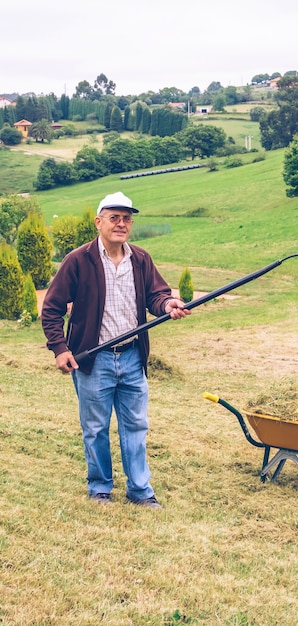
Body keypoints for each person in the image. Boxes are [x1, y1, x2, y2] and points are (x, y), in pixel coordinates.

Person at [42, 191, 191, 508]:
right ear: (99, 222)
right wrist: (59, 348)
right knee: (95, 428)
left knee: (136, 426)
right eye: (114, 217)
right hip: (93, 360)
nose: (121, 224)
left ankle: (140, 490)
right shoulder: (78, 260)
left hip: (133, 357)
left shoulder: (140, 258)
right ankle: (100, 486)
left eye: (127, 218)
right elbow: (52, 309)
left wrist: (168, 304)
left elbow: (157, 296)